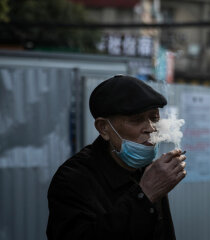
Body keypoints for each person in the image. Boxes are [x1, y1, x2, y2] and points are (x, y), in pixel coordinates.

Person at [46, 75, 187, 240]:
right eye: (136, 120)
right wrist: (144, 196)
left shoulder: (147, 169)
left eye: (154, 118)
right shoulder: (74, 178)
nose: (150, 129)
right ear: (104, 128)